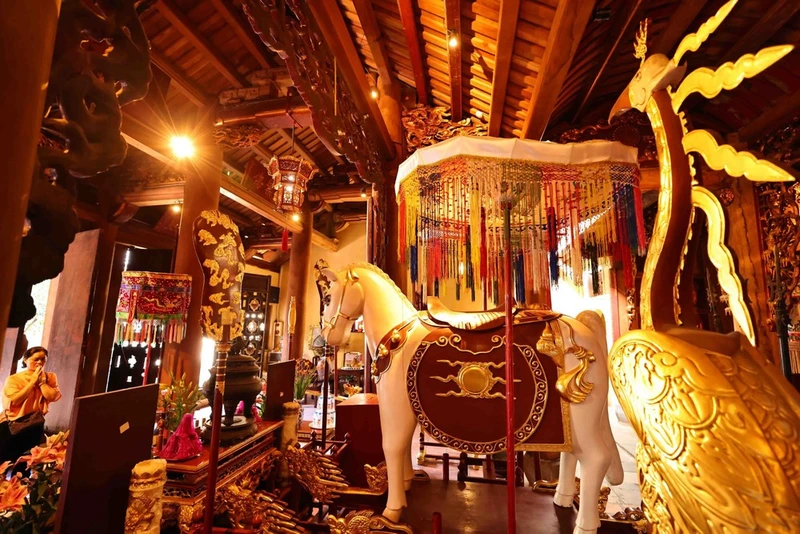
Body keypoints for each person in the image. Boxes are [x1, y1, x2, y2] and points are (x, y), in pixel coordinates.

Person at [0, 346, 62, 463]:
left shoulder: (50, 377)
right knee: (4, 460)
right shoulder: (14, 379)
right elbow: (15, 401)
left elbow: (52, 396)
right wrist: (32, 381)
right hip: (12, 424)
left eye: (43, 359)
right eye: (36, 359)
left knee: (26, 462)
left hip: (34, 424)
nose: (39, 362)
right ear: (25, 360)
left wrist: (42, 382)